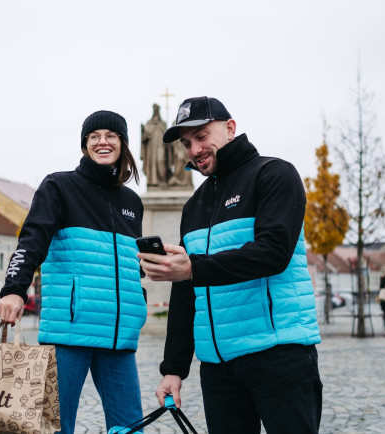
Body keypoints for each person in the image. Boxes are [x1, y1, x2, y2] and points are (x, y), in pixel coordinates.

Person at [139, 96, 323, 434]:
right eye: (186, 143)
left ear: (230, 128)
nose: (194, 149)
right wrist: (173, 369)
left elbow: (273, 253)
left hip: (278, 355)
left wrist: (193, 268)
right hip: (218, 367)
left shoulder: (274, 174)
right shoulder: (194, 204)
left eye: (202, 136)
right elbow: (186, 291)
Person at [0, 110, 147, 434]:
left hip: (119, 337)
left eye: (111, 135)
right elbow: (32, 239)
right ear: (84, 146)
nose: (102, 142)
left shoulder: (132, 202)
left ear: (123, 144)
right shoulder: (59, 186)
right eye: (94, 136)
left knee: (130, 428)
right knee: (55, 427)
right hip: (69, 333)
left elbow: (127, 264)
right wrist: (14, 288)